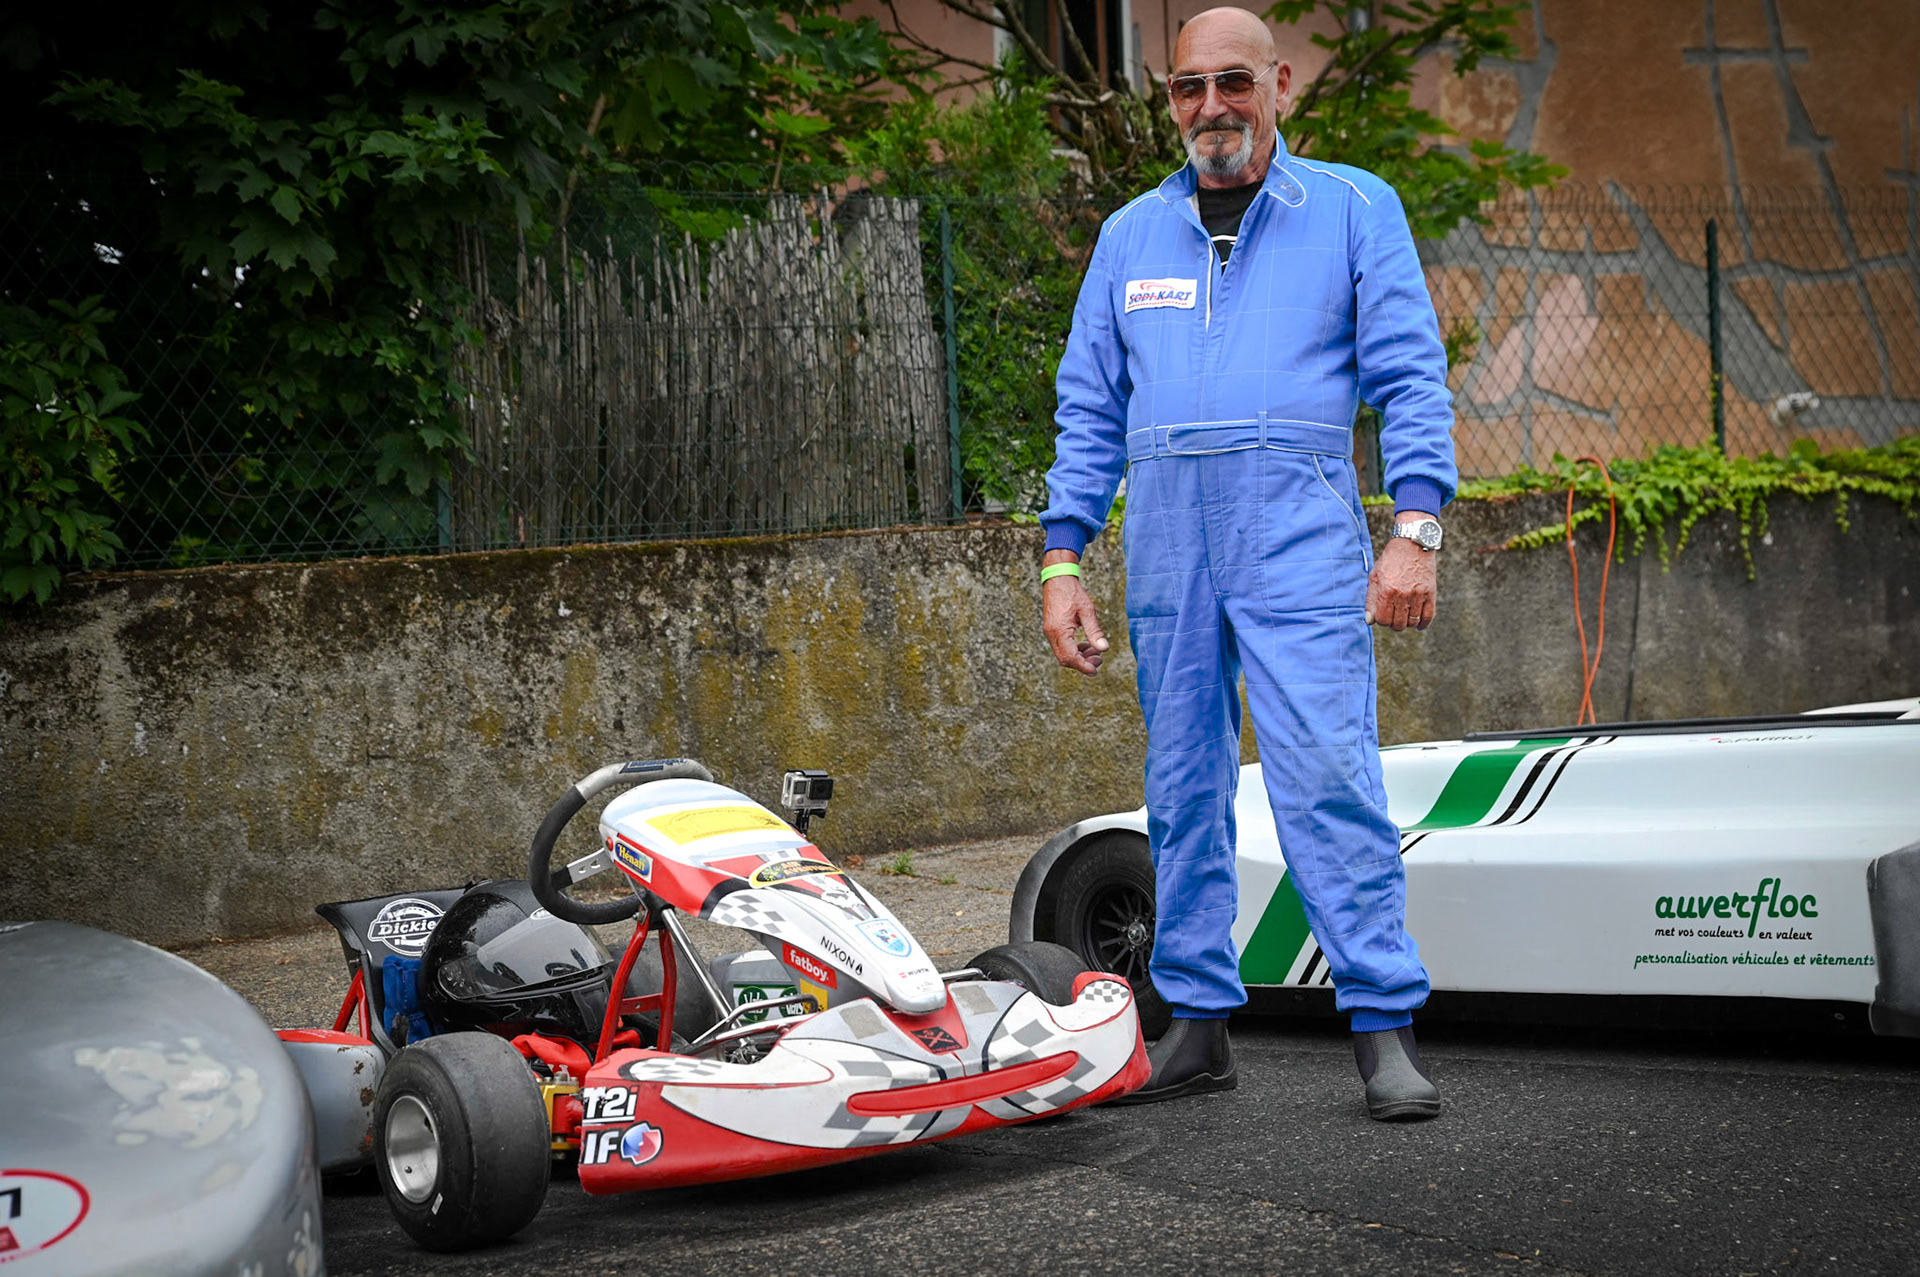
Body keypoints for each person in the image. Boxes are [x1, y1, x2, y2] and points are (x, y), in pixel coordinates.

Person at [1038, 5, 1453, 1120]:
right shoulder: (1131, 235)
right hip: (1170, 540)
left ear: (1279, 84)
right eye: (1189, 87)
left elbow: (1411, 377)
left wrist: (1415, 529)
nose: (1211, 105)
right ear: (1170, 100)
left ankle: (1382, 1024)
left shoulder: (1354, 209)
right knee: (1181, 787)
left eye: (1233, 81)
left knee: (1328, 776)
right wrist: (1063, 557)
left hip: (1298, 532)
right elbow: (1089, 406)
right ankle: (1199, 1023)